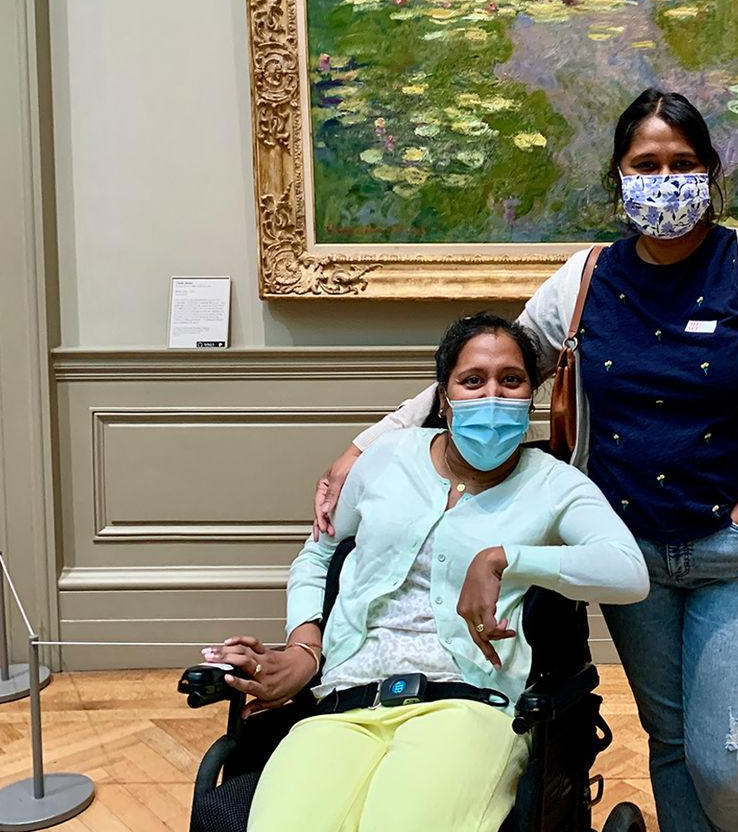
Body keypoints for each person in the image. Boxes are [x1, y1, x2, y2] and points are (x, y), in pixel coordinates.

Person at [315, 88, 738, 831]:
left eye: (683, 163)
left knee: (726, 758)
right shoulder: (584, 281)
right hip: (631, 559)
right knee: (669, 741)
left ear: (709, 173)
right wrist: (366, 445)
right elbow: (487, 375)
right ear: (619, 177)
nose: (665, 179)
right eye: (646, 164)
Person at [207, 313, 647, 832]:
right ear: (443, 398)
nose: (491, 396)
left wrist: (506, 558)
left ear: (533, 393)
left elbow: (628, 573)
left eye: (511, 380)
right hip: (343, 702)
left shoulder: (554, 485)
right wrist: (305, 648)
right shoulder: (387, 459)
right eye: (472, 380)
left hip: (468, 707)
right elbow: (319, 554)